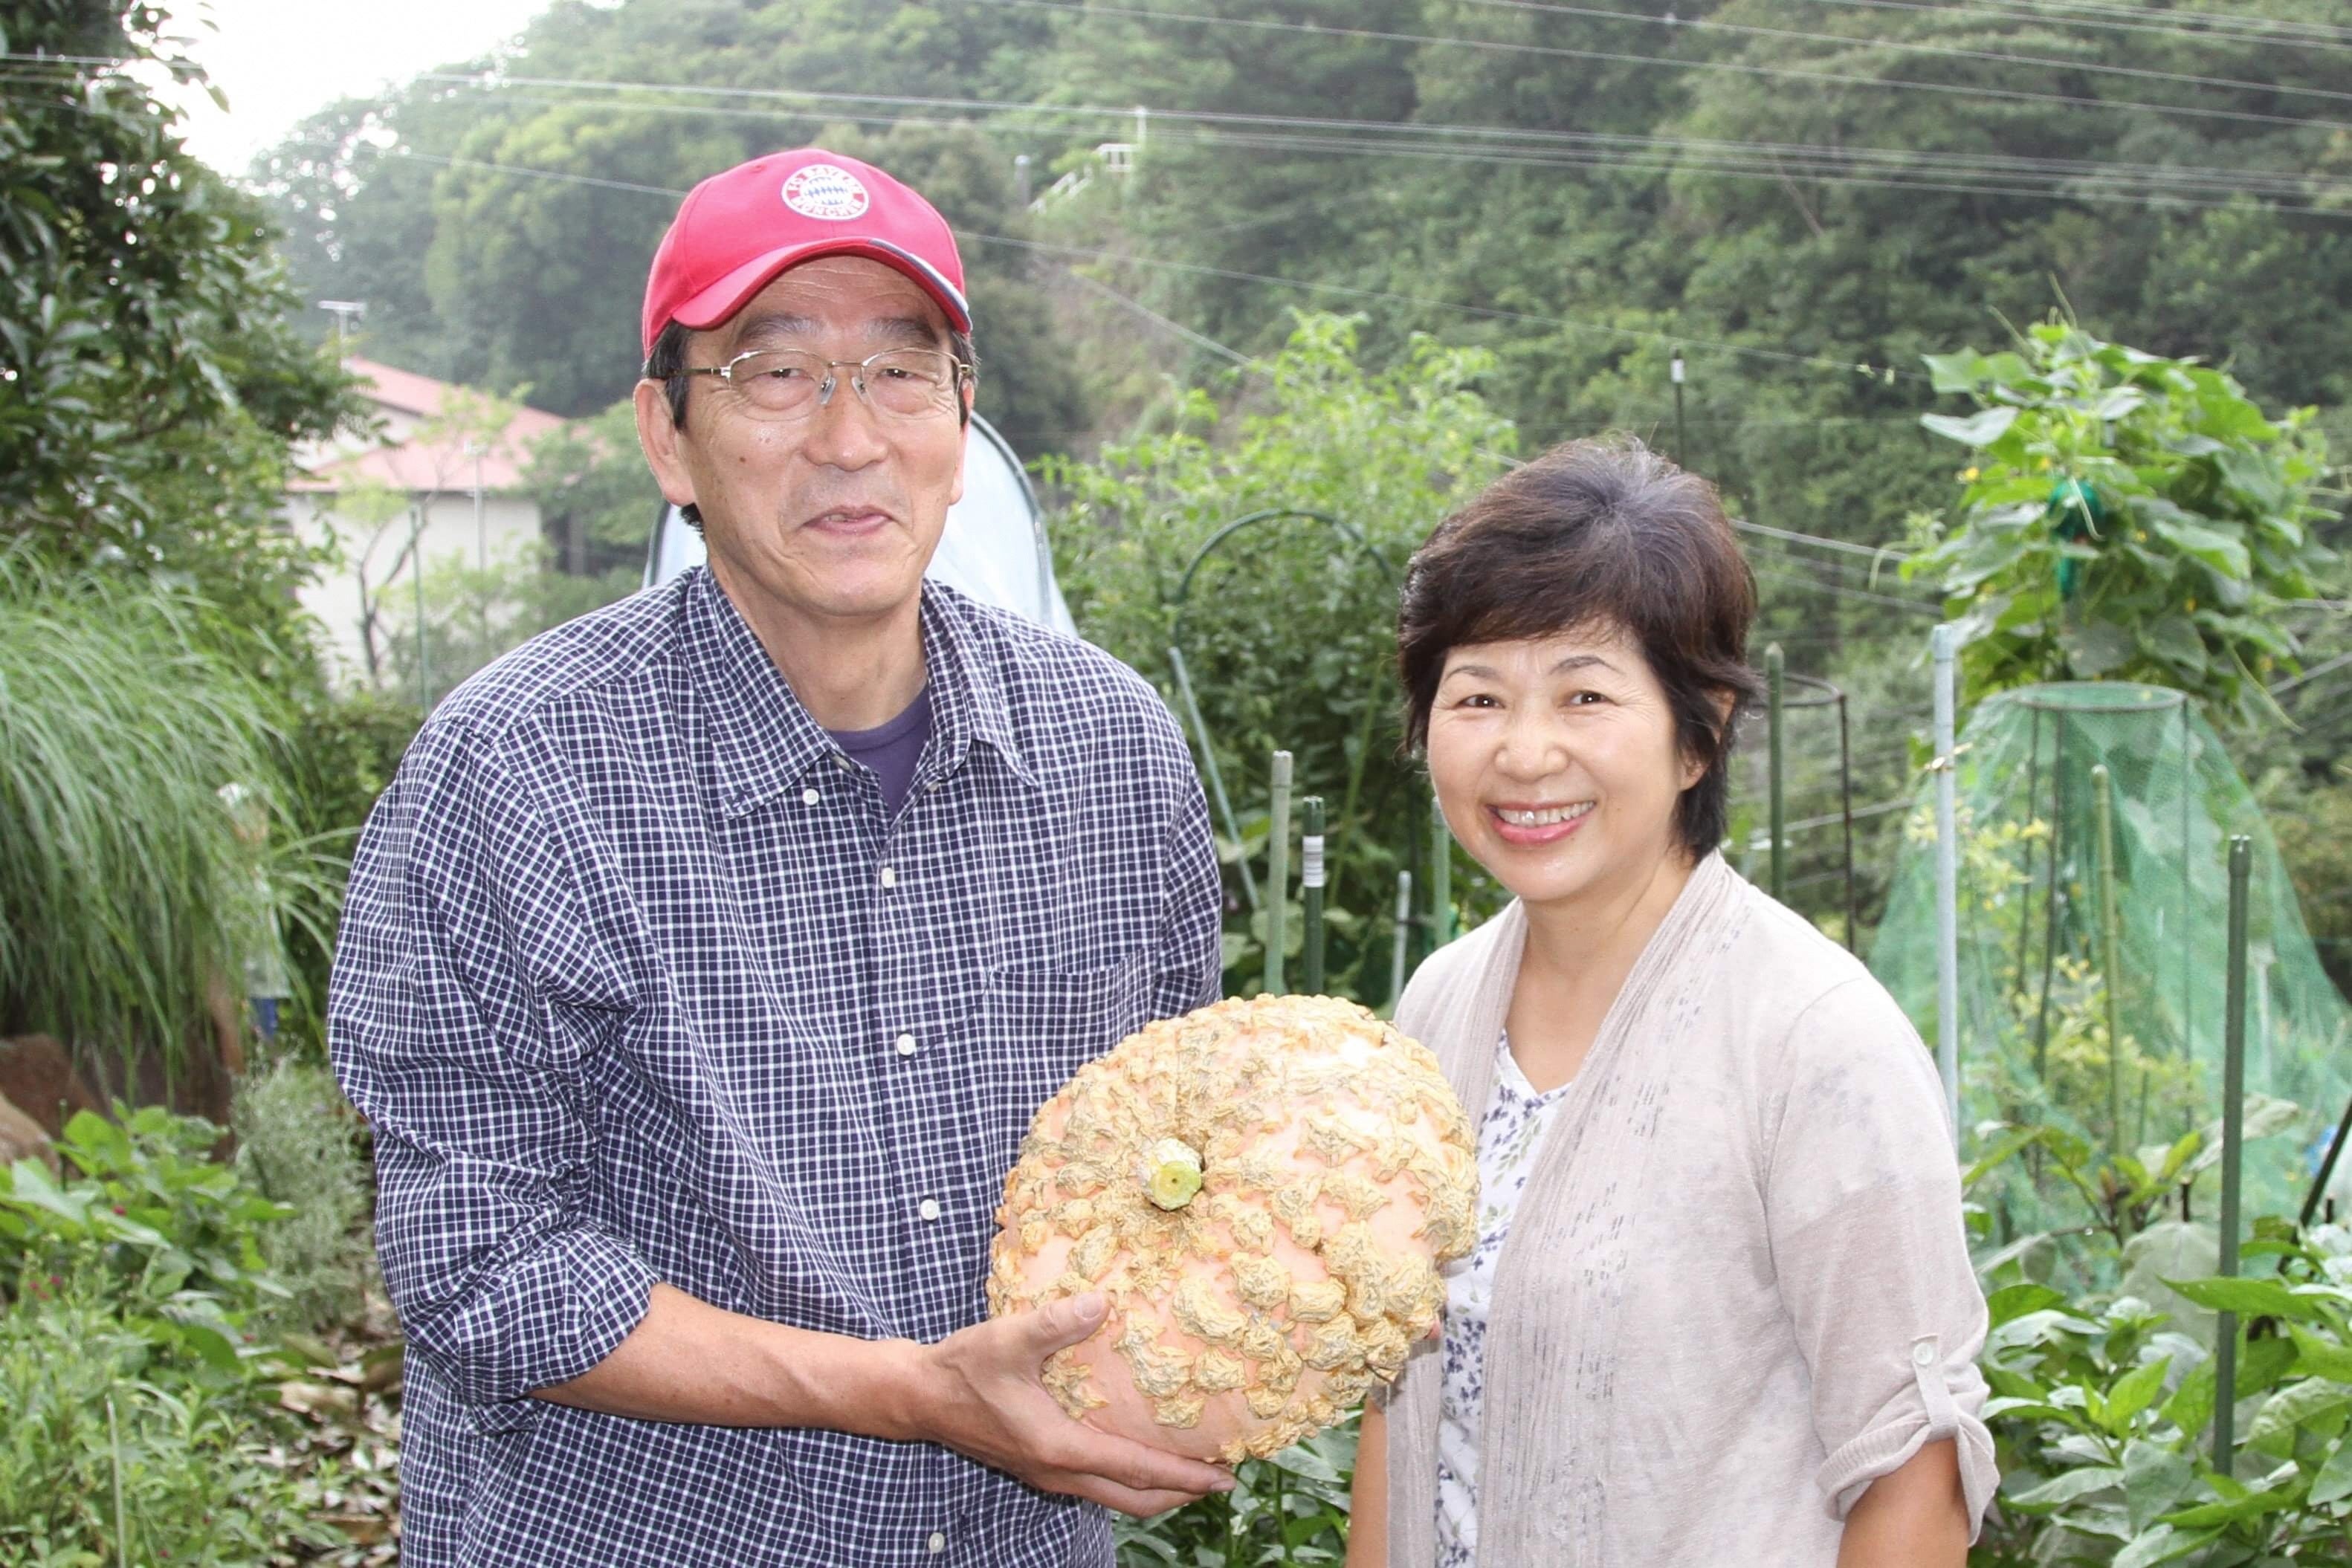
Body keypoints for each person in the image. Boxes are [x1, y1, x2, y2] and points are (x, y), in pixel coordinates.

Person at [329, 148, 1233, 1567]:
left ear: (962, 421)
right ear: (668, 436)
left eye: (901, 371)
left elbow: (1176, 1157)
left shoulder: (1113, 751)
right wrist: (909, 1393)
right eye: (776, 373)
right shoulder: (517, 771)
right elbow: (482, 1261)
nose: (850, 437)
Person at [1344, 438, 1995, 1567]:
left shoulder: (1814, 1039)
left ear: (1700, 734)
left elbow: (1915, 1479)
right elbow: (1395, 1405)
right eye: (1479, 695)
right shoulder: (1437, 1008)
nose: (1525, 752)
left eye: (1585, 695)